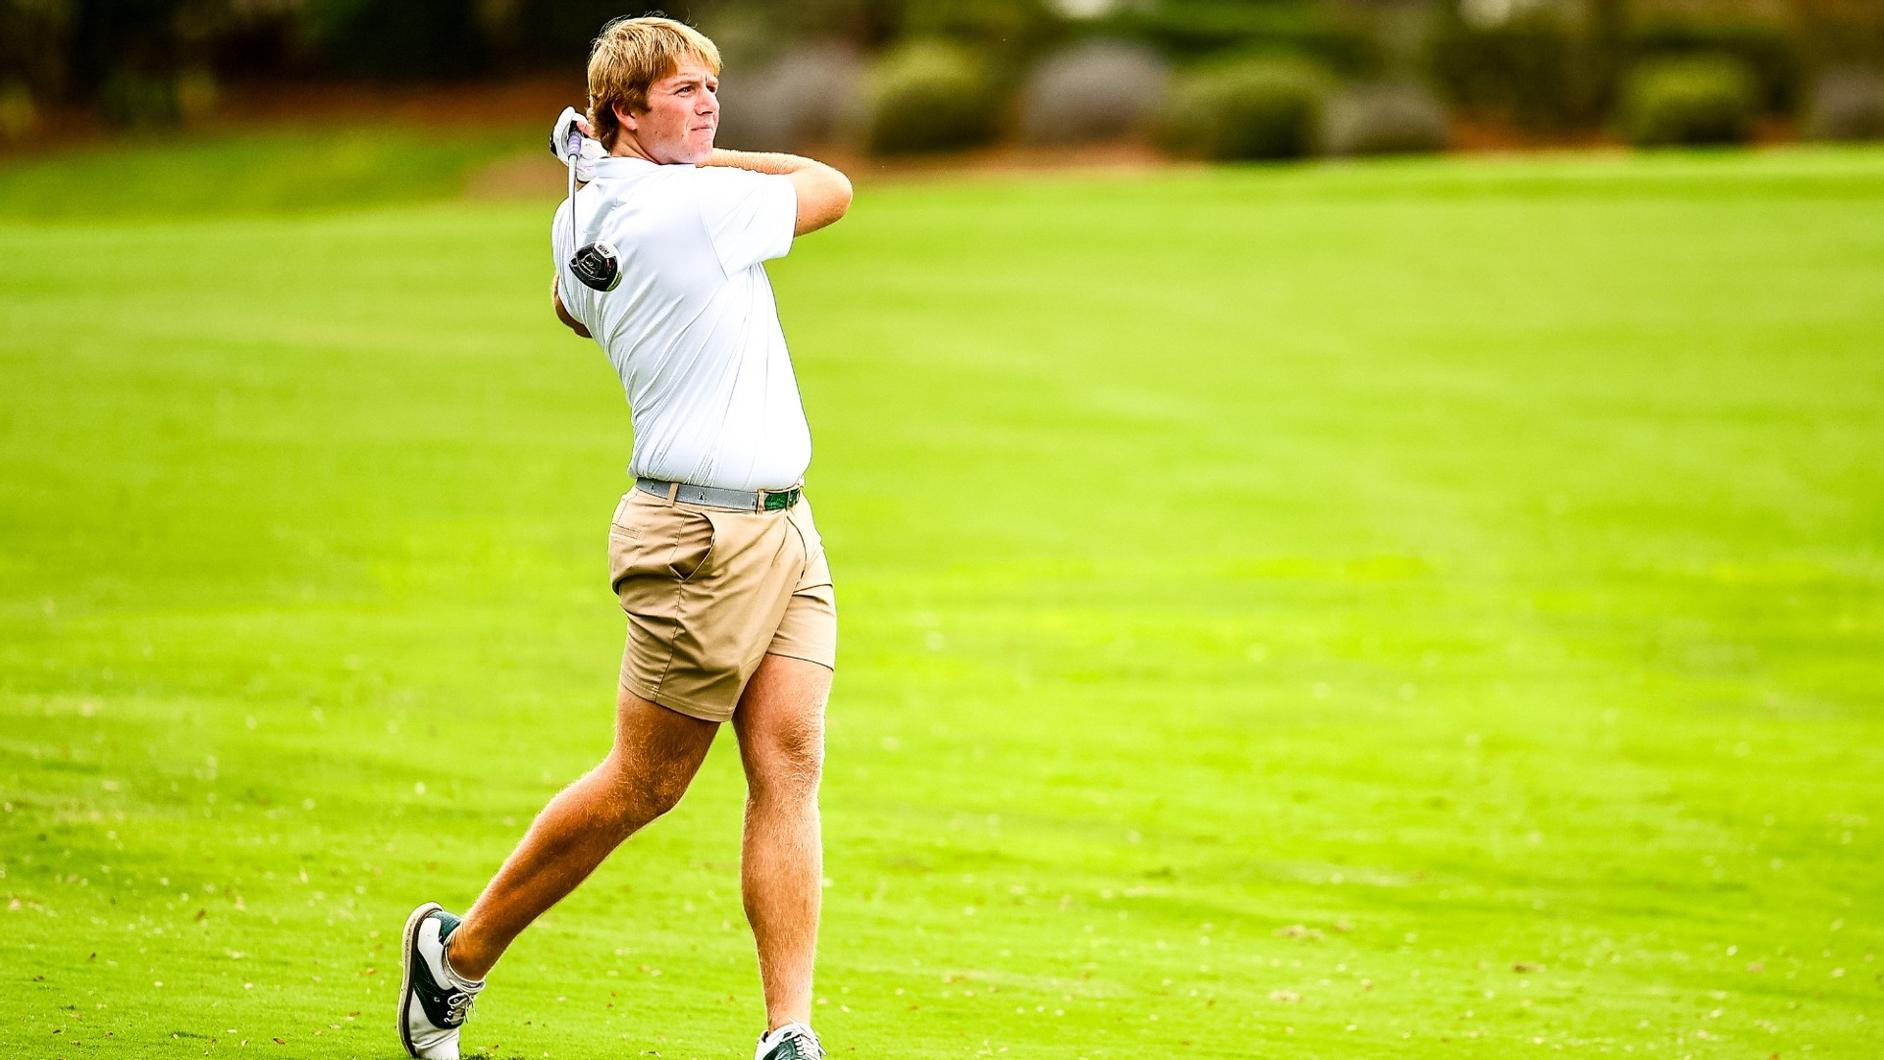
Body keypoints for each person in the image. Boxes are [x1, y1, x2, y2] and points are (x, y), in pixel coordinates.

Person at [396, 16, 852, 1060]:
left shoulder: (587, 210)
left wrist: (623, 168)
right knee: (644, 783)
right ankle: (454, 959)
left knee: (788, 759)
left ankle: (788, 1033)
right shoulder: (685, 207)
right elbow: (830, 186)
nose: (710, 106)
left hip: (783, 524)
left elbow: (569, 304)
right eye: (685, 92)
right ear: (622, 113)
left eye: (712, 89)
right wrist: (696, 167)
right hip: (698, 537)